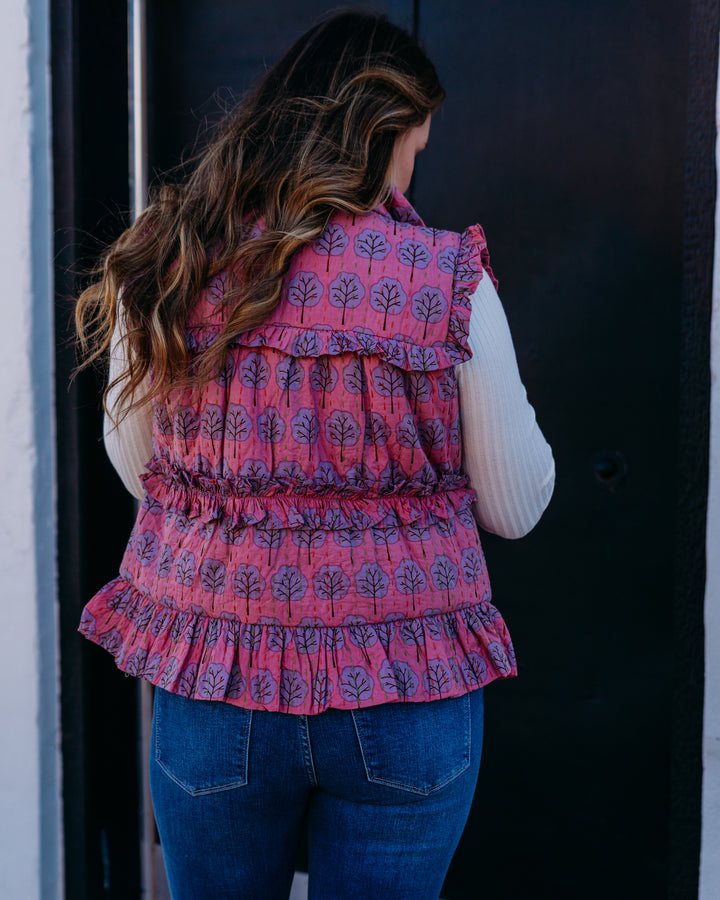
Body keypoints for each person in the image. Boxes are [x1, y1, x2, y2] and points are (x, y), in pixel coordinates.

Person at [75, 11, 554, 900]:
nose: (416, 166)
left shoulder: (172, 258)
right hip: (407, 687)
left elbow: (138, 463)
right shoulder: (446, 280)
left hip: (218, 680)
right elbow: (516, 507)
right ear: (388, 131)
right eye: (417, 142)